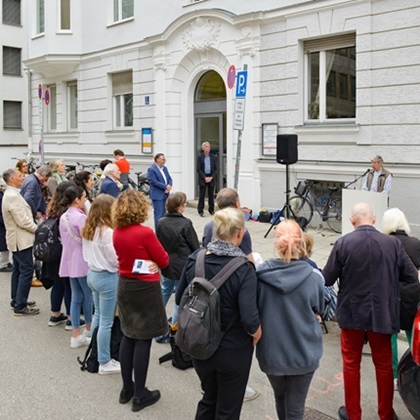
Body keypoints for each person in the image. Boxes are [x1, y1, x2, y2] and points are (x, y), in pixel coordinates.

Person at [323, 202, 419, 420]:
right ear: (374, 219)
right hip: (382, 314)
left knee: (351, 364)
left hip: (351, 314)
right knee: (384, 366)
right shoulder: (393, 245)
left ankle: (353, 414)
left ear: (351, 220)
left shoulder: (343, 243)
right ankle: (385, 414)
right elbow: (411, 277)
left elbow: (327, 278)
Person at [175, 207, 262, 420]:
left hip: (199, 344)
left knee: (209, 398)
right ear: (240, 233)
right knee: (228, 409)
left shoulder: (196, 258)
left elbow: (179, 299)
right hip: (232, 349)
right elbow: (249, 318)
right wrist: (257, 334)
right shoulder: (244, 268)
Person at [256, 220, 324, 420]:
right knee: (296, 408)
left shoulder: (260, 275)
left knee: (280, 397)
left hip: (271, 353)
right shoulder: (313, 277)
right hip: (304, 353)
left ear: (276, 242)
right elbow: (319, 308)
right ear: (301, 242)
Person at [112, 189, 169, 412]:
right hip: (145, 287)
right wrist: (151, 263)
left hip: (125, 285)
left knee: (128, 334)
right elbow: (163, 259)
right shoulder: (144, 233)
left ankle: (127, 388)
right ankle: (140, 394)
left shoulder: (117, 231)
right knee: (143, 338)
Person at [382, 207, 420, 389]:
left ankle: (395, 375)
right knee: (414, 333)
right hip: (412, 294)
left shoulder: (383, 242)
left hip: (391, 293)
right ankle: (415, 371)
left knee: (391, 336)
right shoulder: (415, 243)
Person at [82, 194, 120, 375]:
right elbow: (114, 260)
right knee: (107, 322)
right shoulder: (108, 232)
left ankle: (95, 351)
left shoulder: (89, 228)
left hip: (92, 273)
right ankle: (104, 361)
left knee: (98, 315)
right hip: (107, 277)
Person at [155, 192, 200, 342]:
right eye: (184, 203)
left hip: (167, 263)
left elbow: (159, 242)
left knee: (165, 291)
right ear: (179, 206)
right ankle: (173, 330)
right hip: (183, 265)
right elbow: (194, 246)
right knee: (179, 299)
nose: (185, 206)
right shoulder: (185, 223)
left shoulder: (161, 222)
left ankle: (157, 326)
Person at [59, 185, 93, 348]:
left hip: (69, 260)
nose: (85, 200)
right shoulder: (80, 218)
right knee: (88, 296)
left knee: (75, 297)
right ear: (77, 199)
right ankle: (88, 328)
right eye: (84, 197)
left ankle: (75, 334)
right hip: (82, 260)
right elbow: (89, 237)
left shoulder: (64, 216)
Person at [1, 169, 38, 315]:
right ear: (11, 179)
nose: (22, 177)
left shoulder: (12, 193)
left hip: (17, 239)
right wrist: (38, 230)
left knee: (18, 270)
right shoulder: (12, 196)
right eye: (19, 176)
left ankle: (16, 299)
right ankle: (20, 305)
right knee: (27, 270)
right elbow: (22, 220)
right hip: (20, 239)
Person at [41, 181, 74, 328]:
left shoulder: (51, 210)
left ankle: (55, 315)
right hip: (64, 253)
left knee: (57, 284)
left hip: (51, 253)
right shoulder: (67, 213)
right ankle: (70, 318)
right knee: (68, 286)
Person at [147, 153, 172, 228]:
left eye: (164, 159)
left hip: (166, 194)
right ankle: (158, 233)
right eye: (163, 159)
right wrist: (165, 187)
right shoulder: (151, 169)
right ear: (157, 160)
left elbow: (169, 178)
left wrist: (169, 186)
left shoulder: (165, 168)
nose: (164, 161)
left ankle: (164, 231)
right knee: (159, 215)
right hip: (158, 195)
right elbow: (153, 181)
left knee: (165, 214)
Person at [196, 142, 217, 217]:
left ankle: (211, 209)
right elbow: (198, 169)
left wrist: (211, 177)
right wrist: (204, 177)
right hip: (203, 178)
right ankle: (200, 210)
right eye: (206, 147)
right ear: (203, 148)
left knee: (211, 195)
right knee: (202, 195)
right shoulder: (200, 157)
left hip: (211, 177)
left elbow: (216, 169)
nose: (208, 148)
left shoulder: (213, 157)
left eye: (209, 147)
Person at [0, 180, 13, 272]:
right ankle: (3, 264)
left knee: (4, 242)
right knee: (3, 243)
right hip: (2, 221)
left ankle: (4, 262)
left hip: (2, 220)